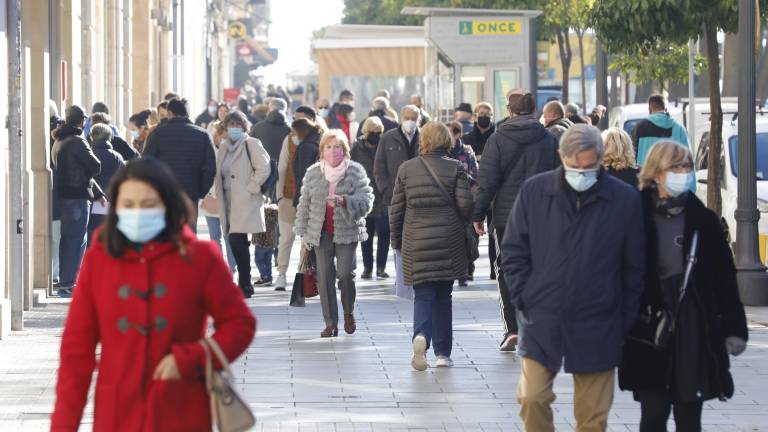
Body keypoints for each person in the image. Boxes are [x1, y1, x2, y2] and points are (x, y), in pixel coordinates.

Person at [50, 158, 256, 431]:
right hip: (117, 414)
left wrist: (193, 357)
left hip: (182, 410)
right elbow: (76, 352)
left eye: (148, 205)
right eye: (128, 205)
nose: (137, 213)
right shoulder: (99, 258)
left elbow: (240, 323)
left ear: (167, 206)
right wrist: (64, 425)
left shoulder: (199, 257)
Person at [501, 124, 645, 432]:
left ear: (601, 159)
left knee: (592, 418)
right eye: (574, 165)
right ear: (561, 158)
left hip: (600, 319)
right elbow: (513, 251)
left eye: (590, 165)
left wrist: (624, 316)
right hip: (543, 315)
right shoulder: (535, 192)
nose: (582, 172)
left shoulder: (624, 200)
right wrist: (524, 297)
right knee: (532, 397)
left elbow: (635, 266)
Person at [618, 141, 748, 432]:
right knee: (653, 413)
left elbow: (724, 279)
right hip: (649, 327)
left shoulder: (704, 220)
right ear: (656, 172)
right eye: (675, 166)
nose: (683, 172)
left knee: (690, 415)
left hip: (694, 325)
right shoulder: (633, 215)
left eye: (686, 166)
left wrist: (735, 329)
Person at [471, 88, 560, 352]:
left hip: (506, 216)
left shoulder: (497, 140)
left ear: (509, 111)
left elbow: (486, 182)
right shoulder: (549, 138)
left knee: (507, 268)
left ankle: (513, 329)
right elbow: (559, 177)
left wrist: (478, 214)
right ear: (534, 110)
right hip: (542, 213)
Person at [390, 121, 474, 370]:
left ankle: (421, 336)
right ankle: (443, 353)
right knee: (443, 296)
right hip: (449, 240)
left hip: (416, 240)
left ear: (423, 141)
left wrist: (396, 242)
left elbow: (396, 210)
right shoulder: (456, 167)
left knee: (423, 293)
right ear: (447, 141)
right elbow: (466, 206)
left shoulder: (406, 169)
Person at [294, 129, 374, 337]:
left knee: (345, 274)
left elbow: (366, 200)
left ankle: (348, 311)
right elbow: (304, 204)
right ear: (322, 150)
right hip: (319, 233)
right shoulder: (313, 172)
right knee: (324, 276)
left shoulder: (355, 171)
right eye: (328, 147)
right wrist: (303, 234)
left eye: (337, 147)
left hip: (347, 230)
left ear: (344, 149)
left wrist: (345, 201)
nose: (332, 151)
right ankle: (331, 322)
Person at [214, 111, 271, 298]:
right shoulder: (223, 146)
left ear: (244, 126)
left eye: (238, 124)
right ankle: (244, 282)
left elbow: (264, 167)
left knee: (237, 240)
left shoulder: (251, 143)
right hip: (229, 200)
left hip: (245, 200)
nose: (234, 128)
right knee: (235, 240)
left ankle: (245, 283)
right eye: (231, 124)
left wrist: (251, 188)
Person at [51, 105, 104, 298]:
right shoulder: (78, 141)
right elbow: (95, 166)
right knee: (76, 240)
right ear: (82, 120)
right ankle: (68, 284)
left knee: (68, 240)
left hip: (65, 196)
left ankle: (67, 282)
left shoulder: (59, 140)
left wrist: (97, 192)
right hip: (78, 197)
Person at [144, 98, 216, 233]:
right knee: (188, 236)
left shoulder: (158, 134)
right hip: (190, 193)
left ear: (170, 113)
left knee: (165, 235)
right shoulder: (202, 135)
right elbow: (210, 168)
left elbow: (146, 163)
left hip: (164, 193)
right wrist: (201, 191)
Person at [374, 105, 421, 294]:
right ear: (401, 118)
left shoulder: (425, 136)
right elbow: (379, 168)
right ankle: (401, 278)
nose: (410, 121)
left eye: (414, 118)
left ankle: (416, 276)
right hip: (394, 197)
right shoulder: (388, 138)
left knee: (417, 237)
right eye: (407, 117)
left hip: (419, 196)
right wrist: (387, 190)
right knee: (398, 238)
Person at [351, 117, 390, 280]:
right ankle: (367, 267)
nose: (376, 135)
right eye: (372, 132)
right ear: (366, 132)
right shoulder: (357, 148)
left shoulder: (386, 146)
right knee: (365, 235)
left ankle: (381, 267)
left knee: (384, 234)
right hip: (364, 196)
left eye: (379, 132)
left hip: (383, 196)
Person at [86, 124, 126, 245]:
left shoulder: (89, 155)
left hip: (92, 200)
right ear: (110, 138)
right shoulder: (117, 157)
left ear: (92, 138)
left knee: (91, 237)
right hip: (110, 201)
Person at [633, 94, 691, 167]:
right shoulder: (679, 128)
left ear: (650, 109)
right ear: (665, 108)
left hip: (646, 176)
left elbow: (633, 156)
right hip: (670, 176)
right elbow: (688, 159)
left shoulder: (640, 128)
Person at [250, 97, 291, 167]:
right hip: (284, 172)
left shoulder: (257, 127)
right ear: (286, 110)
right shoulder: (291, 130)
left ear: (269, 109)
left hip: (261, 171)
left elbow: (250, 150)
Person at [292, 118, 323, 208]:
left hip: (307, 195)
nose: (293, 134)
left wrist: (298, 200)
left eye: (295, 131)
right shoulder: (317, 139)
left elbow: (304, 174)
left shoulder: (306, 146)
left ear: (301, 131)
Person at [252, 204, 279, 287]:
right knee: (268, 260)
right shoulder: (274, 217)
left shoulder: (260, 216)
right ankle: (269, 277)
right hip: (271, 243)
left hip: (261, 241)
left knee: (258, 260)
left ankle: (264, 276)